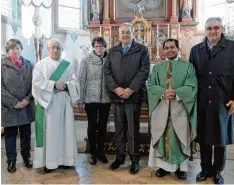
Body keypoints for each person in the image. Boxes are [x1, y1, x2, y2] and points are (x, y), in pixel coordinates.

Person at [189, 17, 234, 184]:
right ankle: (205, 168)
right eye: (209, 28)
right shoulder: (196, 50)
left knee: (220, 138)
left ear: (221, 29)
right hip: (202, 100)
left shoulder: (231, 48)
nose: (212, 31)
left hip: (223, 101)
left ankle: (218, 171)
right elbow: (191, 78)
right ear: (205, 30)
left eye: (216, 27)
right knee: (204, 136)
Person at [147, 38, 197, 180]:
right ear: (163, 50)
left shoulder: (188, 67)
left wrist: (177, 92)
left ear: (177, 49)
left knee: (179, 137)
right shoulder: (157, 68)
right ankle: (163, 167)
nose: (170, 50)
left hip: (180, 109)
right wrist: (163, 91)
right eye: (167, 47)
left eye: (173, 47)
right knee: (162, 136)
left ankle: (181, 168)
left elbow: (192, 85)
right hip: (161, 108)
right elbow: (150, 85)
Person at [104, 22, 150, 174]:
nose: (124, 35)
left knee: (132, 130)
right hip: (117, 97)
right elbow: (107, 72)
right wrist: (116, 89)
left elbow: (144, 71)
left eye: (127, 32)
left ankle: (135, 160)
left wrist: (130, 89)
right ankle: (120, 157)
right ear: (119, 34)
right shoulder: (112, 51)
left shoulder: (142, 50)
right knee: (119, 129)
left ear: (133, 33)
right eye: (122, 32)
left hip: (133, 97)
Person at [32, 39, 79, 173]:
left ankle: (66, 160)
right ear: (48, 49)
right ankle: (50, 162)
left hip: (64, 102)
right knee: (51, 133)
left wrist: (67, 85)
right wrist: (53, 84)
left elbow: (74, 81)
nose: (55, 50)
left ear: (61, 49)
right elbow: (36, 83)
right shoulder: (41, 65)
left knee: (66, 131)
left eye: (58, 48)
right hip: (50, 104)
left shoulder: (67, 65)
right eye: (52, 48)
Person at [1, 39, 35, 173]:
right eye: (13, 49)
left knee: (26, 134)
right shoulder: (1, 65)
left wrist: (27, 100)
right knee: (10, 135)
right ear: (7, 51)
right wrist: (14, 102)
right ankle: (11, 161)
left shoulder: (29, 65)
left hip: (26, 106)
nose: (16, 51)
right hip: (9, 108)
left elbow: (35, 84)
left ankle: (27, 157)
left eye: (18, 48)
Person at [78, 37, 111, 165]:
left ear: (105, 46)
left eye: (101, 46)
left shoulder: (110, 59)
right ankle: (92, 152)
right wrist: (80, 99)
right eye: (96, 46)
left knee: (103, 126)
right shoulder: (86, 60)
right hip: (90, 98)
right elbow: (81, 79)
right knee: (92, 126)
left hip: (106, 98)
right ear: (93, 46)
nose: (99, 48)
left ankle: (101, 151)